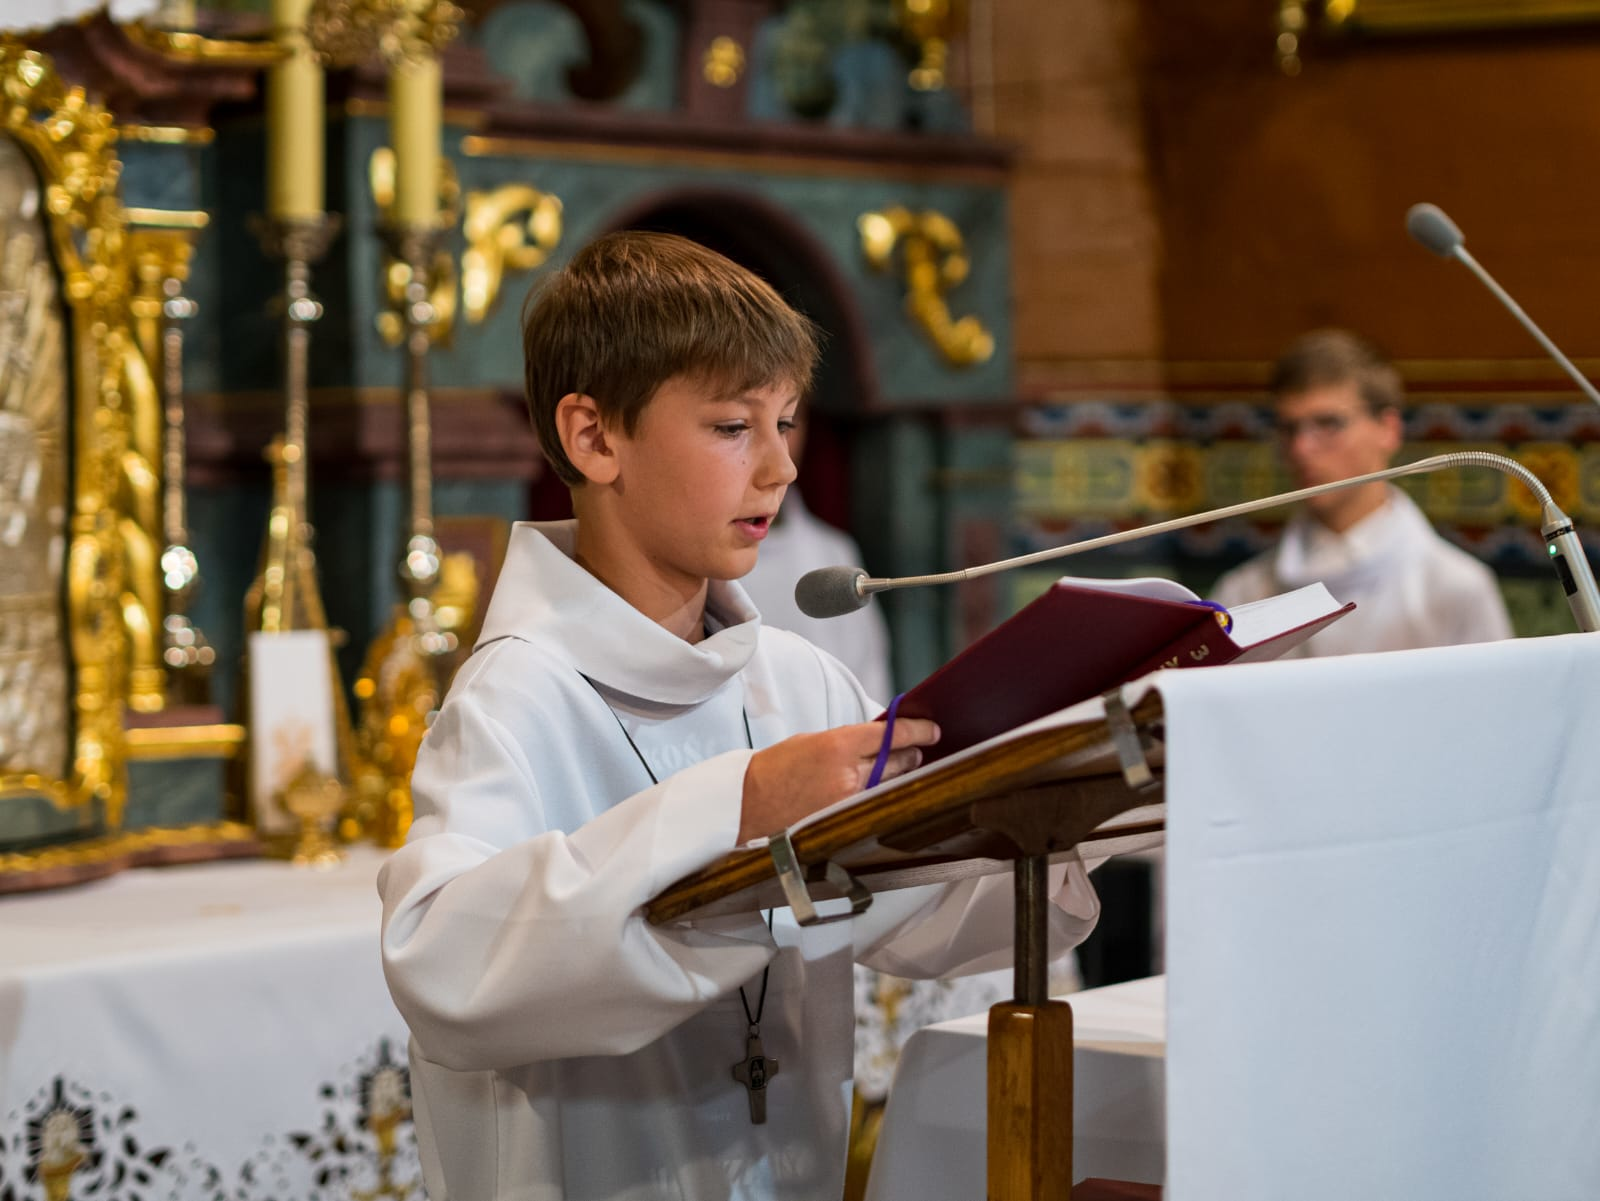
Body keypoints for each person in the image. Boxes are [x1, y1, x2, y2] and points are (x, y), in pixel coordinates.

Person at [376, 231, 1100, 1201]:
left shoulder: (797, 680)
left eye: (788, 423)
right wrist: (743, 801)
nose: (781, 469)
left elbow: (923, 912)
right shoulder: (515, 696)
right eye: (732, 427)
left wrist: (1047, 803)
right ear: (594, 437)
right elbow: (442, 966)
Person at [1212, 329, 1512, 656]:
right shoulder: (1242, 597)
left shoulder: (1456, 589)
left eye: (1328, 424)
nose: (1301, 448)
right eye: (1289, 429)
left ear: (1388, 429)